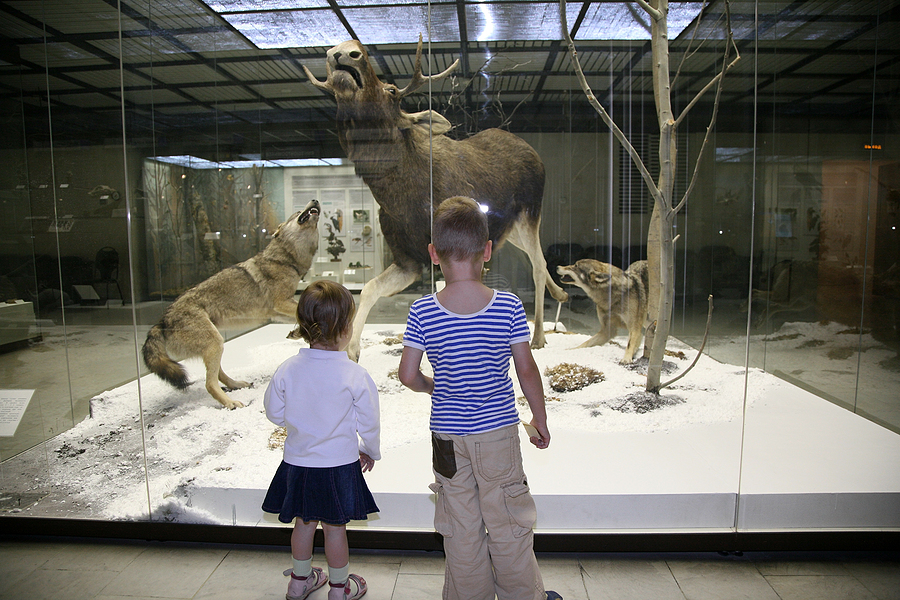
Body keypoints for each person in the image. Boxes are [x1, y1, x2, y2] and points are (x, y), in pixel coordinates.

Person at [398, 196, 562, 600]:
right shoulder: (507, 307)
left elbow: (407, 374)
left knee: (460, 526)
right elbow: (526, 370)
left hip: (447, 441)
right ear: (487, 250)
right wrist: (539, 419)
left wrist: (432, 387)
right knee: (507, 522)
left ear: (434, 254)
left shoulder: (422, 311)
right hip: (498, 436)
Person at [262, 279, 379, 600]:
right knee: (335, 528)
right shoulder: (355, 374)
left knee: (303, 523)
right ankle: (339, 589)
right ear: (345, 329)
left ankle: (299, 582)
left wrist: (298, 422)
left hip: (297, 464)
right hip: (339, 466)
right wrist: (369, 450)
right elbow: (370, 422)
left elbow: (273, 412)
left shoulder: (287, 369)